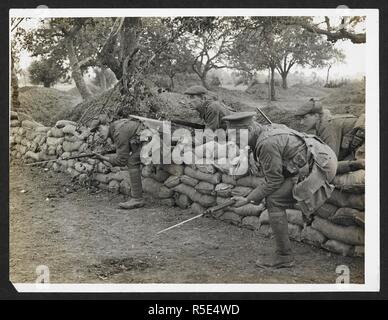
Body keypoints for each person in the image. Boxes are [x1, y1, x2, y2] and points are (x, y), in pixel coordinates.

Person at [223, 112, 338, 269]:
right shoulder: (265, 130)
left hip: (321, 165)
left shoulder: (266, 144)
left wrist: (248, 198)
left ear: (249, 129)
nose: (234, 141)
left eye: (237, 137)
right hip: (317, 156)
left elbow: (274, 181)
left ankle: (284, 256)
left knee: (274, 200)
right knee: (271, 192)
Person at [90, 115, 145, 210]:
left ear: (107, 124)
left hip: (154, 142)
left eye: (99, 129)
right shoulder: (116, 127)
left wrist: (102, 158)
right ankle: (137, 198)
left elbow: (122, 160)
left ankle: (137, 199)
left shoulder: (118, 132)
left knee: (132, 161)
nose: (98, 133)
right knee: (133, 158)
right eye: (96, 132)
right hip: (147, 140)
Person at [295, 98, 365, 167]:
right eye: (300, 119)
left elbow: (331, 159)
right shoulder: (323, 123)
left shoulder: (328, 125)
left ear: (316, 116)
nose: (301, 123)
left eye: (304, 118)